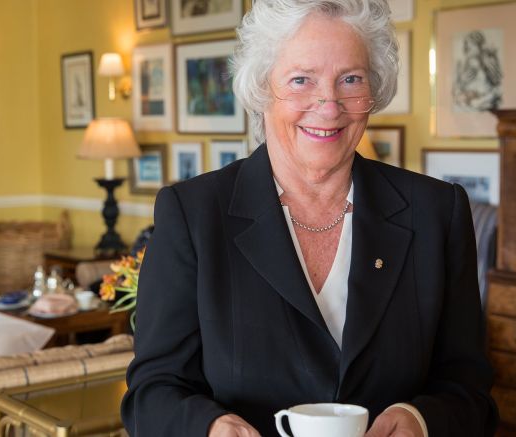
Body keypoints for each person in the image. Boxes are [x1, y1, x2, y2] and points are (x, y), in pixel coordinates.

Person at [121, 1, 499, 436]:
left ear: (373, 90)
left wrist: (422, 420)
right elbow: (151, 393)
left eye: (351, 79)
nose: (329, 104)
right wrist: (209, 428)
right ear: (263, 88)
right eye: (301, 80)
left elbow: (470, 388)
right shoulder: (193, 215)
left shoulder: (437, 212)